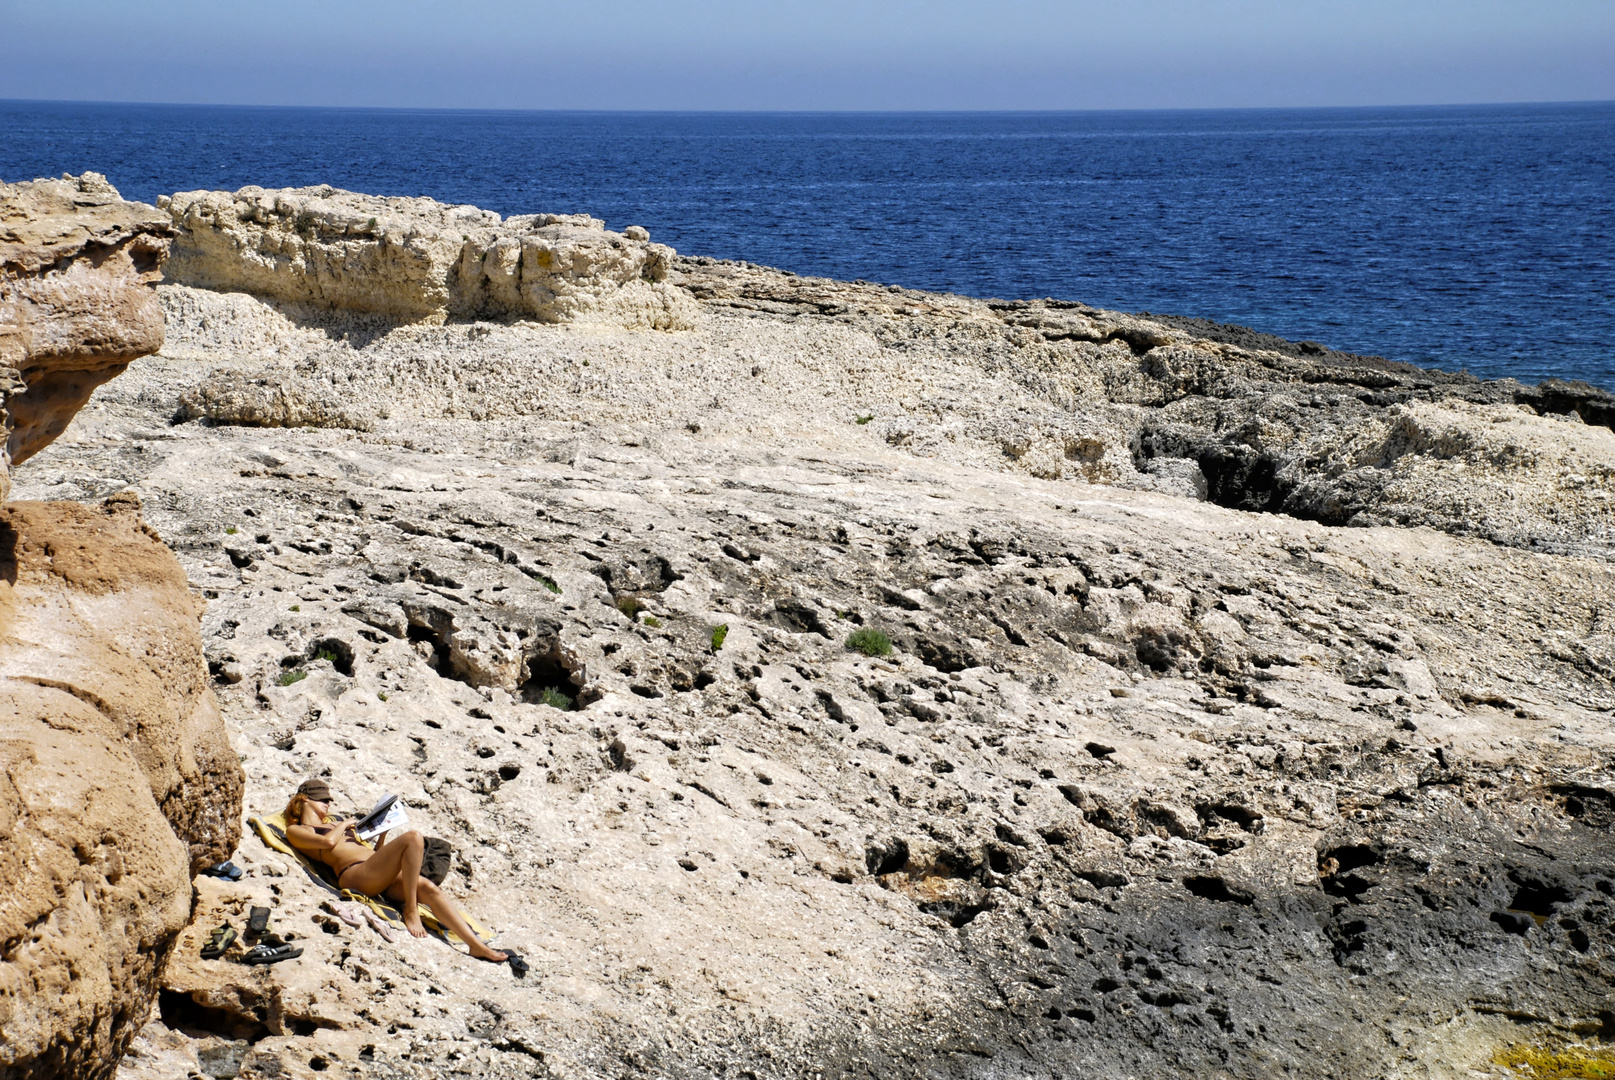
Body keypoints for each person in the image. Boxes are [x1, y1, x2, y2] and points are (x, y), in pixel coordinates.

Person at [283, 779, 510, 965]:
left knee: (429, 888)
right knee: (413, 837)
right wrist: (343, 825)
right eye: (324, 799)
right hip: (354, 875)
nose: (329, 804)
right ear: (304, 799)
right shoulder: (297, 830)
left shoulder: (337, 823)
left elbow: (372, 854)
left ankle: (474, 945)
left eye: (329, 800)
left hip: (373, 871)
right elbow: (328, 844)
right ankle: (411, 909)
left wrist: (381, 833)